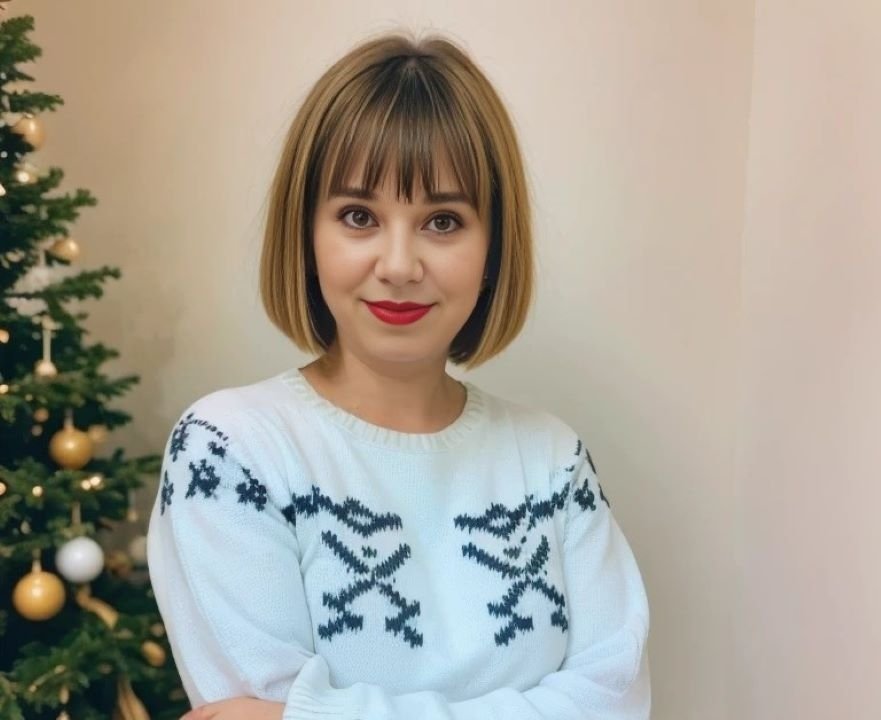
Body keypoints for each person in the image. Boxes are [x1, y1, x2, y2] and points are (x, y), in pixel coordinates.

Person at [146, 29, 651, 720]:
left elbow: (614, 703)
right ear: (306, 233)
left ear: (494, 247)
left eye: (442, 221)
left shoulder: (552, 462)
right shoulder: (230, 449)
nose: (399, 265)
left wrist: (317, 714)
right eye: (358, 216)